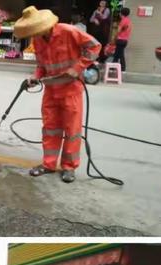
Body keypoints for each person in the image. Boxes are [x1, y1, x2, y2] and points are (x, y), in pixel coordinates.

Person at [14, 6, 101, 183]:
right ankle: (49, 164)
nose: (35, 33)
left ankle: (69, 168)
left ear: (45, 25)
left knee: (72, 131)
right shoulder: (38, 40)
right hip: (51, 90)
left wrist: (77, 68)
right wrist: (34, 77)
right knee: (50, 129)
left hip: (71, 90)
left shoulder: (69, 31)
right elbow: (41, 66)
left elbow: (95, 47)